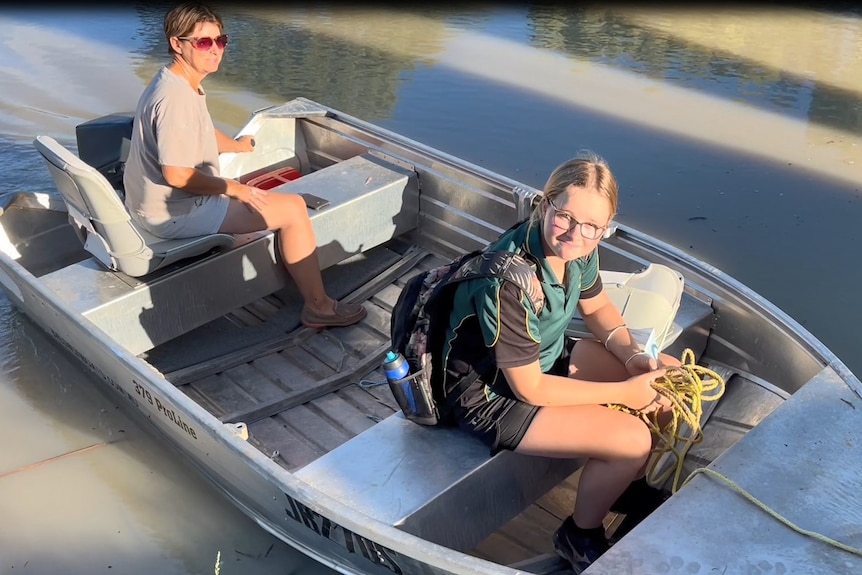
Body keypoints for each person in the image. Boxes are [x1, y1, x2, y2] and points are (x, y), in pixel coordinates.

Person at [440, 152, 678, 572]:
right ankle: (579, 533)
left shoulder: (580, 250)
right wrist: (625, 391)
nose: (575, 233)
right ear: (543, 203)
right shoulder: (509, 281)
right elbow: (529, 388)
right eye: (564, 215)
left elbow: (599, 306)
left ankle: (626, 488)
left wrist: (635, 357)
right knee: (632, 439)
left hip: (542, 360)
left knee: (666, 381)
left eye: (592, 225)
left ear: (605, 227)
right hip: (492, 392)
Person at [122, 2, 365, 329]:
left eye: (220, 41)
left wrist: (238, 146)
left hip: (152, 206)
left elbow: (201, 130)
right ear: (176, 44)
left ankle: (236, 233)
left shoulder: (176, 80)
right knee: (293, 209)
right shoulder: (175, 100)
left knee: (254, 201)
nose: (215, 51)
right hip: (175, 215)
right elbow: (177, 174)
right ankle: (318, 307)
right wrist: (236, 189)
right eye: (203, 42)